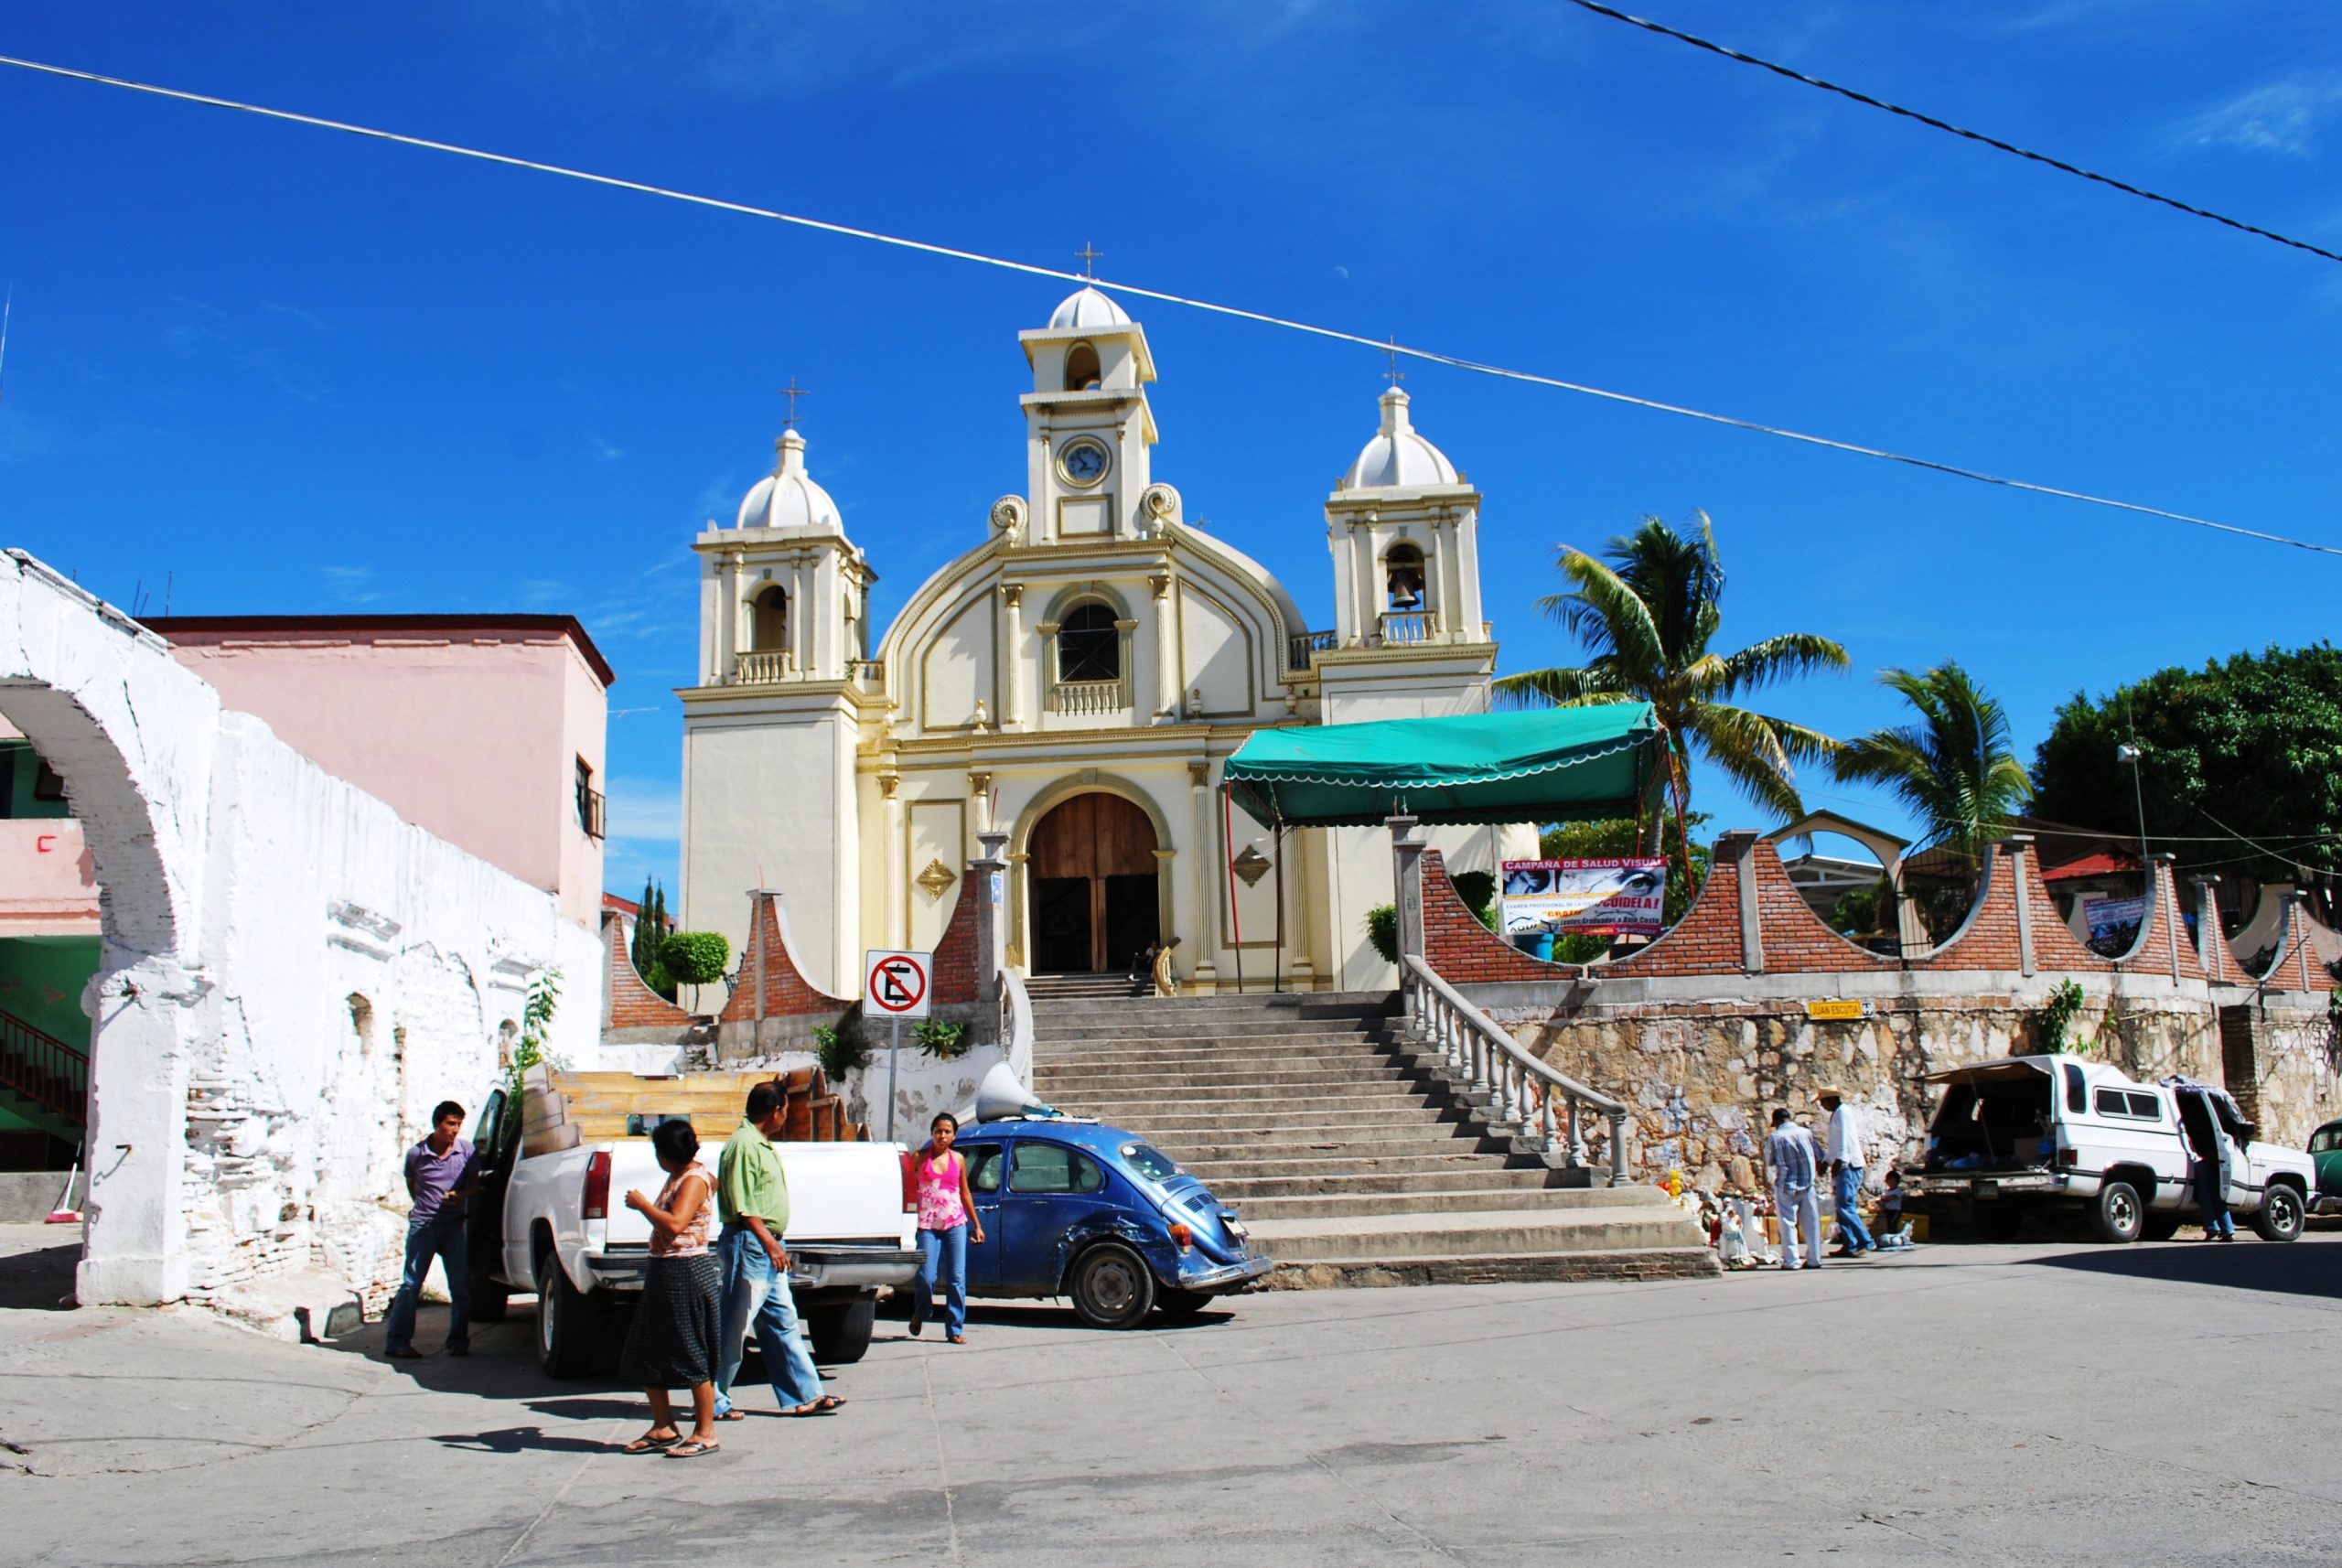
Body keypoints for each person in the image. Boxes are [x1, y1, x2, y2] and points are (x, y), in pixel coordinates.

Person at [713, 1082, 843, 1420]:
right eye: (785, 1109)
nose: (785, 1117)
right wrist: (769, 1244)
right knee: (734, 1326)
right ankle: (713, 1400)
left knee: (783, 1321)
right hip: (752, 1245)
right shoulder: (744, 1145)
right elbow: (744, 1206)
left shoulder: (761, 1144)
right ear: (775, 1111)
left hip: (767, 1246)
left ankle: (806, 1394)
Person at [618, 1118, 724, 1457]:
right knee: (646, 1349)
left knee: (691, 1350)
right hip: (666, 1270)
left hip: (686, 1271)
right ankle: (662, 1426)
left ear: (666, 1154)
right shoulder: (680, 1175)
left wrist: (643, 1205)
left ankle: (705, 1431)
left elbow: (677, 1225)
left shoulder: (692, 1179)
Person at [384, 1100, 476, 1360]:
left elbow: (474, 1185)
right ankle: (398, 1341)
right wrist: (424, 1207)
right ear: (437, 1124)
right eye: (450, 1124)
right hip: (424, 1226)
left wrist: (458, 1196)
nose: (455, 1130)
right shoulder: (416, 1154)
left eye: (458, 1124)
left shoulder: (466, 1152)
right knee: (411, 1284)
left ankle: (458, 1341)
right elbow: (412, 1183)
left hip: (454, 1225)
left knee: (459, 1286)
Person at [907, 1112, 985, 1344]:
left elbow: (965, 1193)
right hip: (927, 1225)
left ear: (953, 1136)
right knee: (925, 1276)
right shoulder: (919, 1158)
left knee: (957, 1278)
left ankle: (954, 1329)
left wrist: (977, 1225)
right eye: (938, 1131)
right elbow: (908, 1189)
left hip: (955, 1224)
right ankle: (921, 1312)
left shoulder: (958, 1159)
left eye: (947, 1132)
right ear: (932, 1133)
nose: (942, 1135)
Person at [1818, 1086, 1875, 1259]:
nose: (1822, 1105)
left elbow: (1845, 1140)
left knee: (1845, 1206)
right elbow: (1835, 1143)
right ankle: (1849, 1244)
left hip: (1849, 1165)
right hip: (1843, 1163)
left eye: (1823, 1101)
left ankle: (1866, 1240)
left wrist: (1839, 1162)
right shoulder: (1837, 1114)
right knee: (1841, 1207)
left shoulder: (1843, 1112)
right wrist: (1827, 1161)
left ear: (1831, 1099)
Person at [1764, 1107, 1824, 1271]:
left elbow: (1769, 1161)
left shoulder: (1775, 1138)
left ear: (1776, 1122)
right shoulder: (1806, 1133)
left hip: (1786, 1184)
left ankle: (1792, 1260)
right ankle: (1814, 1259)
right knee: (1811, 1222)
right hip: (1808, 1183)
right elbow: (1820, 1155)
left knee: (1788, 1223)